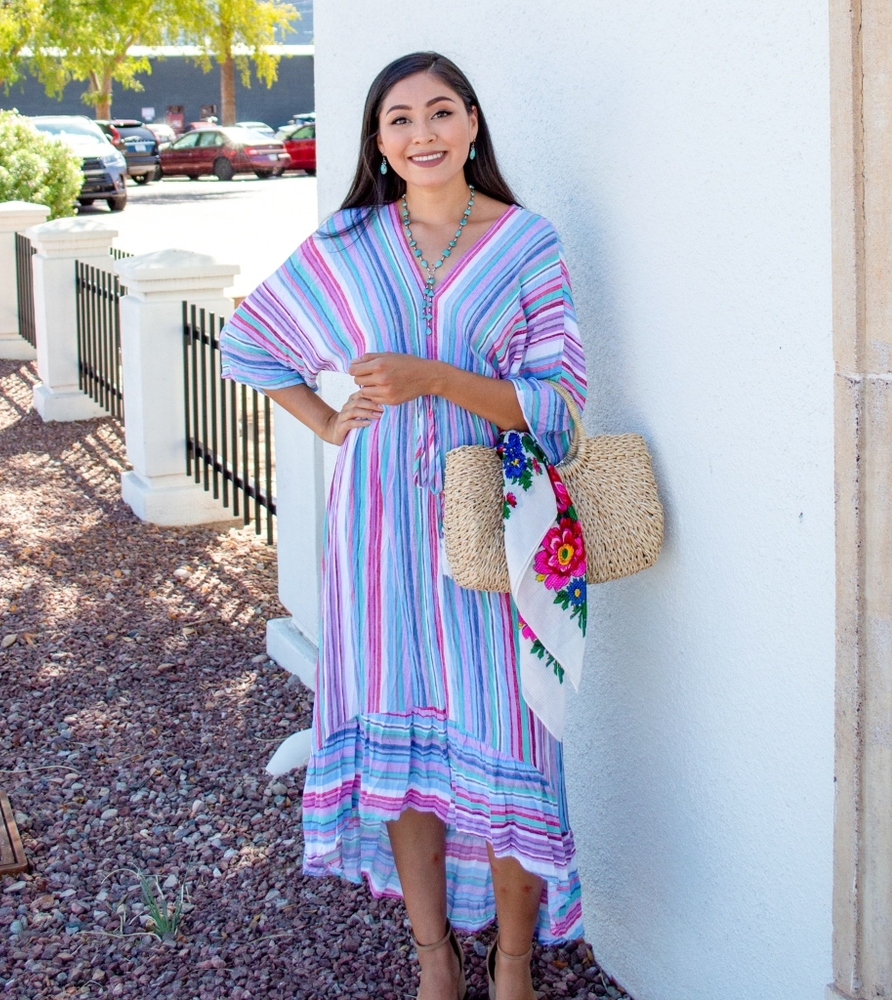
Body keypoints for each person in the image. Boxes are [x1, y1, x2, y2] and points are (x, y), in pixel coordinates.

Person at [220, 51, 587, 1000]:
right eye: (398, 120)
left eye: (439, 112)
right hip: (379, 526)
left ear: (471, 123)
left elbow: (558, 405)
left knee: (508, 741)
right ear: (378, 143)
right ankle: (433, 958)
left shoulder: (525, 243)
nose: (421, 134)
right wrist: (330, 420)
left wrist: (432, 378)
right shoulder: (348, 242)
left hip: (496, 530)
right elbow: (250, 340)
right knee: (400, 744)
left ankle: (515, 961)